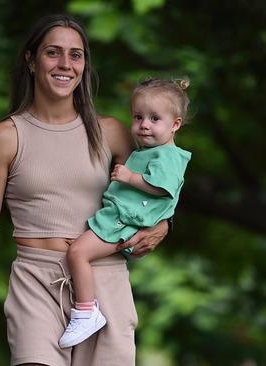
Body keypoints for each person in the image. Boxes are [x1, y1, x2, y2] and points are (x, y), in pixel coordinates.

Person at [0, 14, 170, 366]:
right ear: (31, 59)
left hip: (105, 280)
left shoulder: (111, 132)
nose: (65, 64)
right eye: (53, 53)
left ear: (84, 65)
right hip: (36, 281)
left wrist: (164, 226)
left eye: (76, 55)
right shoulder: (5, 137)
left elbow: (159, 189)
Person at [58, 78, 192, 348]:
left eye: (155, 118)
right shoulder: (150, 151)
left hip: (124, 222)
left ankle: (86, 312)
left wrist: (130, 177)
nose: (144, 124)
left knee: (77, 253)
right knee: (80, 251)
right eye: (138, 117)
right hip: (120, 218)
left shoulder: (167, 156)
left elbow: (162, 188)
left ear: (175, 124)